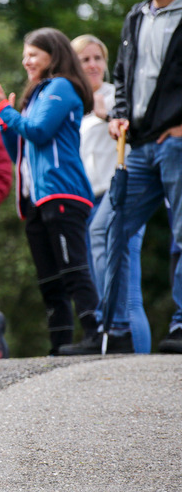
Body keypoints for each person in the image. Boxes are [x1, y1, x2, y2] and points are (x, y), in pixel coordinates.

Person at [81, 0, 182, 355]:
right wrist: (119, 114)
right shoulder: (136, 17)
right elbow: (122, 76)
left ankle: (180, 324)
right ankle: (113, 330)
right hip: (139, 147)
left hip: (177, 144)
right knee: (107, 228)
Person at [0, 28, 104, 355]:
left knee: (72, 268)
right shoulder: (37, 94)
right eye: (25, 54)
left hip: (63, 192)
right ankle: (60, 345)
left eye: (32, 54)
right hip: (36, 199)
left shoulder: (61, 87)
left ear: (52, 56)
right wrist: (4, 121)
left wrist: (4, 110)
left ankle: (95, 336)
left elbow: (39, 132)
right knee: (49, 279)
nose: (26, 61)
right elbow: (20, 150)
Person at [73, 34, 150, 353]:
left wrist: (108, 116)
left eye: (97, 58)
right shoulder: (72, 102)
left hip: (119, 195)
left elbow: (140, 139)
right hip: (87, 203)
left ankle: (137, 363)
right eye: (84, 59)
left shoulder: (118, 97)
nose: (92, 65)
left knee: (125, 289)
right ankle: (112, 360)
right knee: (100, 286)